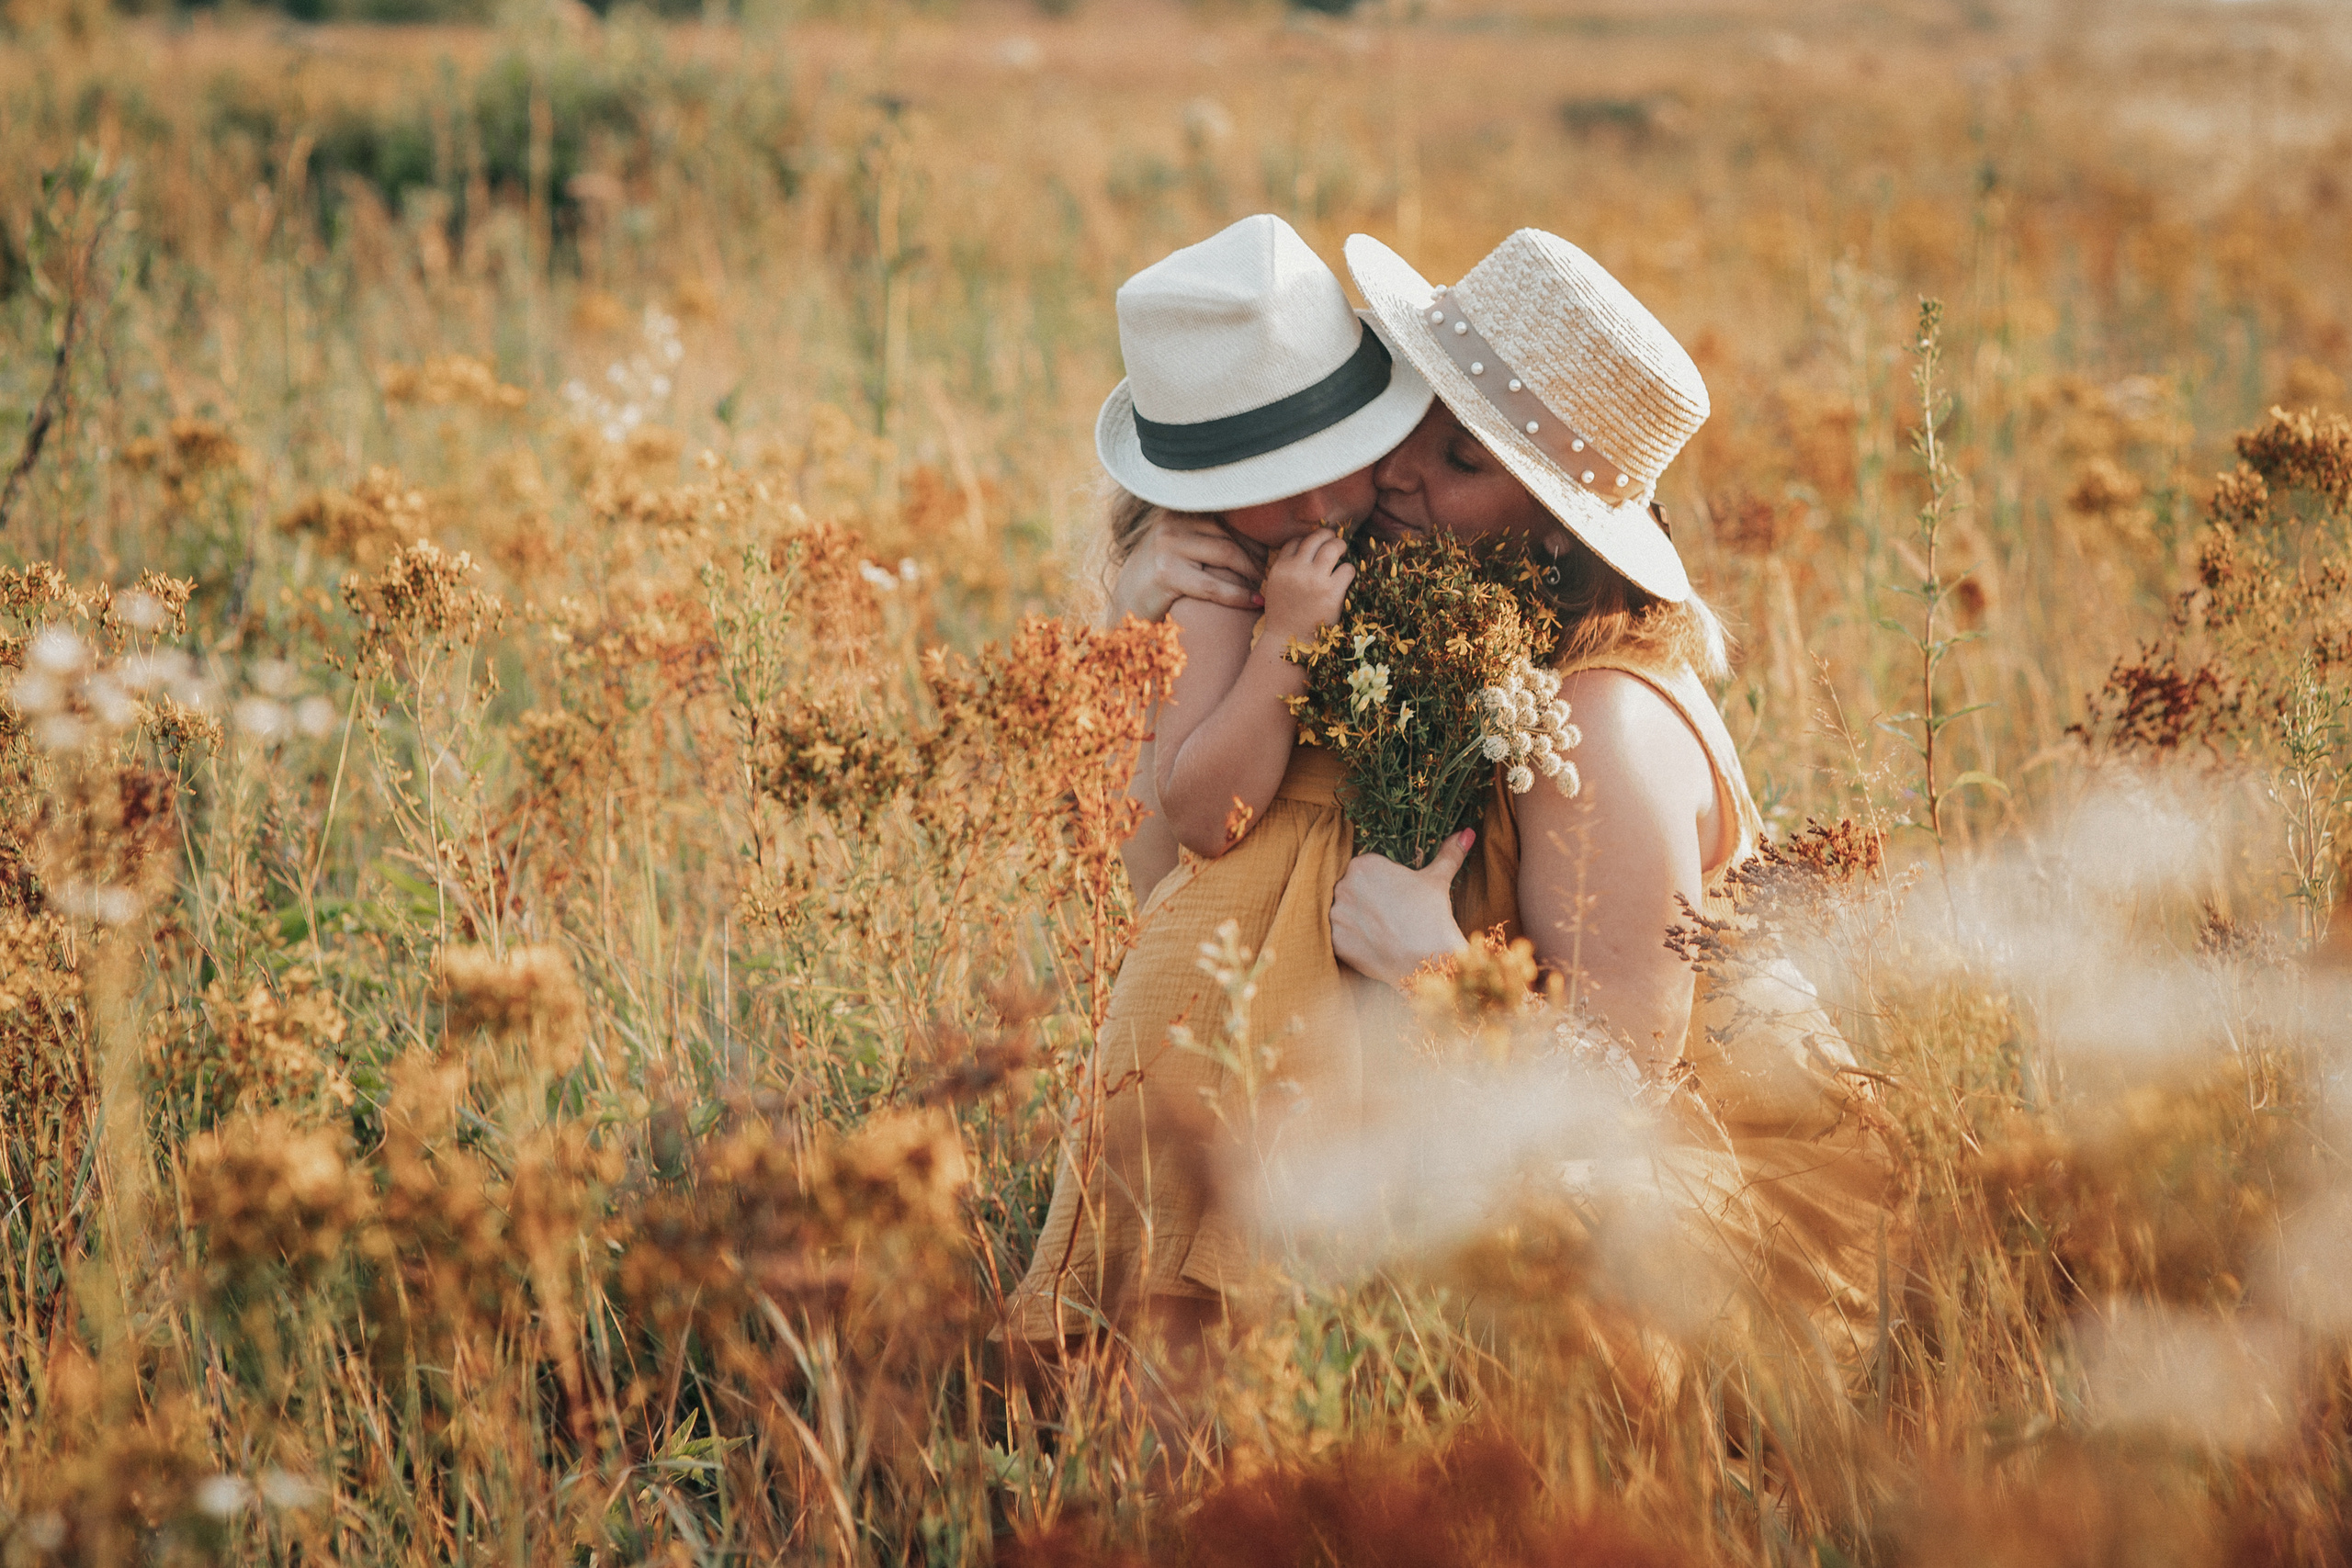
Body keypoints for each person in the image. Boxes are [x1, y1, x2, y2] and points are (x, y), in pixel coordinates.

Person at [1324, 227, 1905, 1389]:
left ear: (1551, 525)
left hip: (1717, 1271)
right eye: (1409, 423)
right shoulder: (1493, 659)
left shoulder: (1596, 717)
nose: (1397, 476)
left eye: (1460, 458)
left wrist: (1426, 963)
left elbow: (1622, 1105)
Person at [1003, 214, 1431, 1359]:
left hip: (1376, 935)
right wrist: (1285, 640)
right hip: (1242, 971)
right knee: (1209, 1280)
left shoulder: (1411, 522)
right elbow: (1199, 818)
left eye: (1319, 468)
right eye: (1263, 487)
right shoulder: (1215, 583)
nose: (1305, 514)